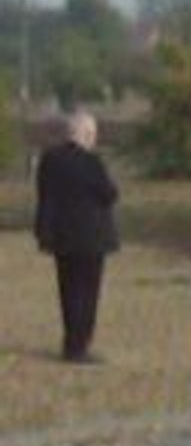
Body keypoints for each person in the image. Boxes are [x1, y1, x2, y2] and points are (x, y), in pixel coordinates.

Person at [34, 111, 120, 364]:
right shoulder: (91, 162)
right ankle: (80, 345)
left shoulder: (49, 159)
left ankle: (69, 341)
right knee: (88, 292)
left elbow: (43, 194)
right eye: (93, 134)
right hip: (91, 237)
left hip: (61, 235)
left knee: (68, 290)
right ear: (86, 134)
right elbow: (109, 193)